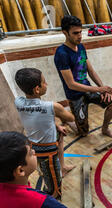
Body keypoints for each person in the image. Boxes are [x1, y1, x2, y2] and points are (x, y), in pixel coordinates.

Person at [14, 67, 76, 200]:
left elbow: (37, 117)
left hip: (33, 145)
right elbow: (71, 118)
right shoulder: (52, 106)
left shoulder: (18, 102)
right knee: (54, 188)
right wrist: (59, 113)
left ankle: (62, 167)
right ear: (37, 89)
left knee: (60, 134)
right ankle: (51, 203)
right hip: (47, 152)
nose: (46, 84)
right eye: (44, 82)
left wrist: (56, 125)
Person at [54, 15, 112, 138]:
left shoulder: (81, 47)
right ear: (65, 33)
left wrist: (102, 88)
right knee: (83, 133)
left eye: (80, 32)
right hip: (74, 95)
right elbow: (71, 84)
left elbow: (91, 71)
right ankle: (67, 119)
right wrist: (99, 90)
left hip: (88, 90)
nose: (80, 36)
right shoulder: (62, 54)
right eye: (75, 33)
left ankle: (105, 129)